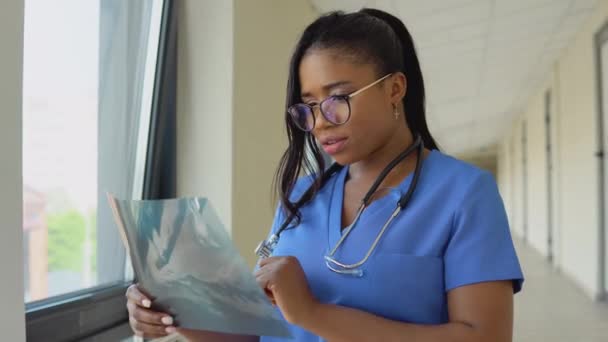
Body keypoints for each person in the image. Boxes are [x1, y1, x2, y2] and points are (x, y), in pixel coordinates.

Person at [125, 8, 524, 342]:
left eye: (337, 99)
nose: (319, 123)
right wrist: (175, 312)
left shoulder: (464, 193)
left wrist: (313, 313)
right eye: (309, 106)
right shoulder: (301, 197)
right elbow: (261, 331)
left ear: (395, 89)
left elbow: (484, 337)